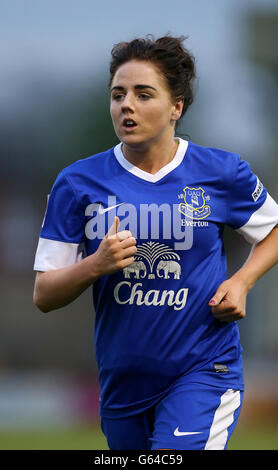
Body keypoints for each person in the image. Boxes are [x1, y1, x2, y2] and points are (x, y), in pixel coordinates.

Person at [33, 35, 278, 450]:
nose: (126, 105)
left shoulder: (220, 171)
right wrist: (95, 265)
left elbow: (273, 229)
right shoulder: (77, 183)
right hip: (122, 382)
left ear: (176, 107)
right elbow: (44, 293)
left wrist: (242, 282)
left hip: (203, 370)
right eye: (118, 94)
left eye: (143, 94)